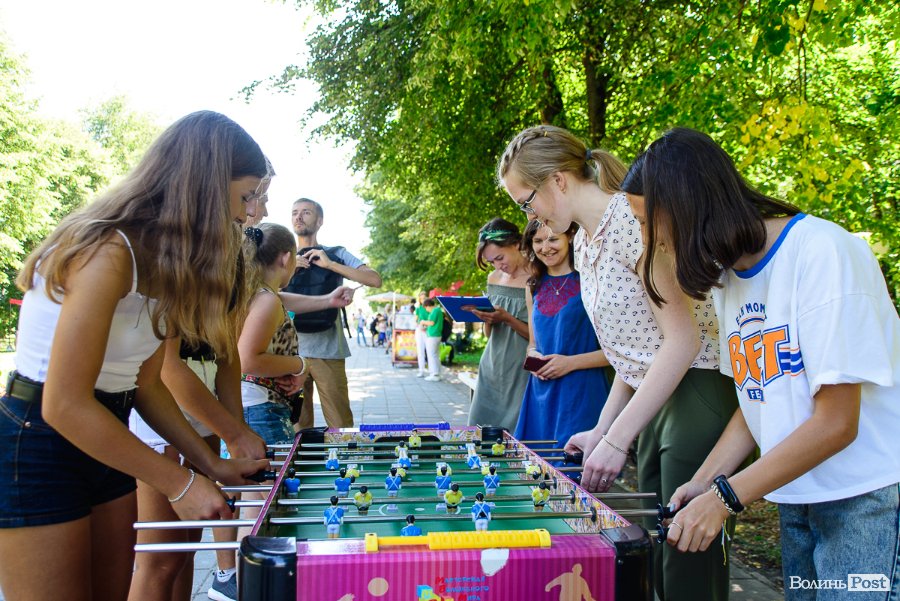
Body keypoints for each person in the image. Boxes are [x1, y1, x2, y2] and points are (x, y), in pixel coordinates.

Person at [0, 111, 269, 601]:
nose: (251, 212)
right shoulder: (109, 249)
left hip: (109, 431)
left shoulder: (167, 261)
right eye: (247, 194)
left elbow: (146, 385)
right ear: (206, 186)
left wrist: (210, 464)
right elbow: (63, 404)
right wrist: (179, 484)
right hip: (38, 440)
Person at [623, 128, 900, 600]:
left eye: (647, 223)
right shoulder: (730, 280)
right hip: (796, 496)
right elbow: (757, 401)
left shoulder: (823, 253)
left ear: (686, 208)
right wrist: (704, 482)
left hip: (863, 501)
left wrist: (725, 498)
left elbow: (837, 423)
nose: (648, 240)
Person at [498, 124, 736, 601]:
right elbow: (628, 352)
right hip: (656, 399)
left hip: (696, 390)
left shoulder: (631, 220)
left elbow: (683, 341)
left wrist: (617, 438)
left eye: (527, 202)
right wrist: (602, 431)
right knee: (659, 555)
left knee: (687, 564)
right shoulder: (585, 241)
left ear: (558, 181)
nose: (531, 215)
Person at [236, 223, 309, 540]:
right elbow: (247, 360)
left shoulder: (255, 294)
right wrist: (299, 364)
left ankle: (244, 569)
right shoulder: (267, 300)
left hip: (252, 408)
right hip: (262, 411)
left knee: (255, 507)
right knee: (272, 506)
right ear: (286, 258)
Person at [514, 220, 611, 459]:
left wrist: (569, 363)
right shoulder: (532, 286)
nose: (545, 247)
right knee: (536, 469)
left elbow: (616, 353)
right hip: (540, 393)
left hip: (581, 391)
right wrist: (532, 356)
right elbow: (533, 343)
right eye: (538, 241)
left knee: (573, 468)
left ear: (570, 236)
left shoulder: (592, 280)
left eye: (552, 239)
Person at [288, 197, 383, 430]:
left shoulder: (336, 253)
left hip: (328, 351)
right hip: (289, 353)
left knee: (340, 425)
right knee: (298, 426)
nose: (299, 216)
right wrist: (289, 268)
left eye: (306, 212)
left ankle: (343, 455)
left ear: (320, 221)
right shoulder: (281, 255)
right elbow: (260, 291)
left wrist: (330, 264)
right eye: (295, 212)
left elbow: (374, 279)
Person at [466, 218, 531, 432]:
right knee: (480, 434)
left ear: (516, 244)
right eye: (492, 261)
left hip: (523, 371)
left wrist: (507, 318)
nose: (498, 266)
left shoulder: (538, 277)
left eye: (500, 258)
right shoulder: (494, 278)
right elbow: (489, 335)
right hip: (492, 367)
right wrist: (486, 318)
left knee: (516, 436)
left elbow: (540, 337)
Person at [419, 298, 444, 381]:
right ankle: (437, 373)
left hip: (433, 336)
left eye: (426, 308)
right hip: (436, 335)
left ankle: (434, 374)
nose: (426, 310)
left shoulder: (435, 311)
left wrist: (423, 322)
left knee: (431, 355)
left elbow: (431, 322)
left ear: (428, 306)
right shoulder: (438, 310)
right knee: (435, 355)